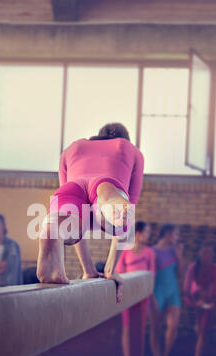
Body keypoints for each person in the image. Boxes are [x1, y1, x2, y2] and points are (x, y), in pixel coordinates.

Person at [36, 122, 144, 302]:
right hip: (107, 185)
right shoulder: (129, 148)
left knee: (71, 220)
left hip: (72, 188)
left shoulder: (72, 149)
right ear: (125, 138)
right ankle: (111, 204)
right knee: (116, 209)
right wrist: (110, 270)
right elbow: (130, 208)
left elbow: (76, 206)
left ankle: (54, 227)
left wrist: (88, 270)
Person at [116, 221, 155, 356]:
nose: (148, 235)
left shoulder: (149, 252)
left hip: (143, 296)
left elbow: (152, 274)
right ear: (137, 233)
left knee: (140, 330)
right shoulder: (125, 251)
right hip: (128, 295)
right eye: (146, 232)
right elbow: (119, 272)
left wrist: (149, 293)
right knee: (127, 330)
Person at [149, 224, 184, 356]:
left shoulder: (174, 250)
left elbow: (181, 273)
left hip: (173, 292)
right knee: (155, 328)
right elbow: (149, 275)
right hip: (157, 292)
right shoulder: (152, 251)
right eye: (176, 234)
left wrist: (179, 255)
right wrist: (151, 296)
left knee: (173, 326)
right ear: (168, 234)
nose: (178, 238)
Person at [183, 242, 216, 356]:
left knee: (203, 331)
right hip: (193, 301)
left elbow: (215, 290)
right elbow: (187, 289)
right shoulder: (193, 268)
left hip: (207, 303)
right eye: (205, 252)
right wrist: (196, 301)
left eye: (210, 253)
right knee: (200, 329)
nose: (207, 255)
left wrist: (210, 301)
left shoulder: (215, 269)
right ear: (199, 254)